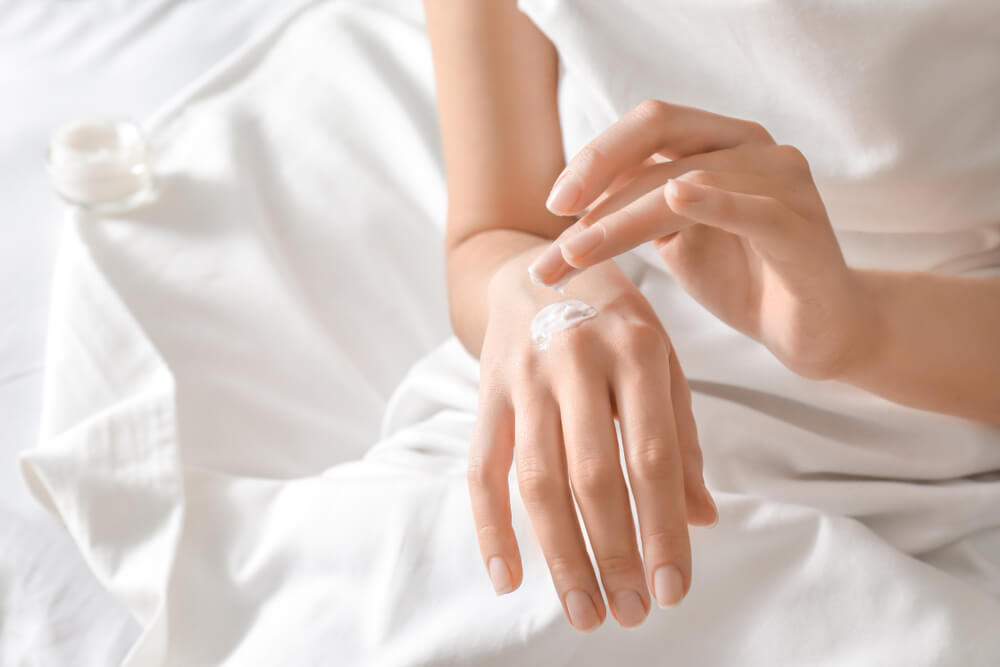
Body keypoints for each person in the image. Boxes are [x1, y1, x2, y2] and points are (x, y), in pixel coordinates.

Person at [423, 0, 1000, 633]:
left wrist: (863, 329)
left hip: (939, 474)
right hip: (559, 412)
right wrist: (553, 301)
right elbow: (499, 229)